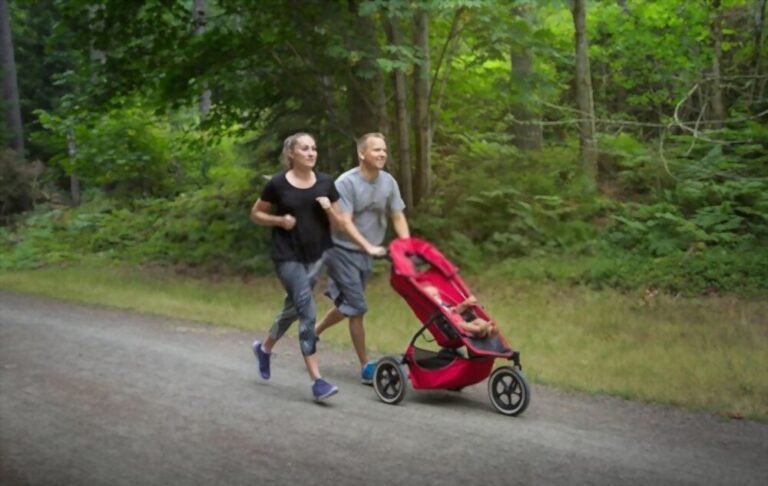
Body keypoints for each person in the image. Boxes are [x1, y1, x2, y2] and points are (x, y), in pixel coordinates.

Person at [250, 132, 380, 401]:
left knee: (292, 309)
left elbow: (338, 224)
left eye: (314, 149)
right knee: (307, 312)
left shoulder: (325, 183)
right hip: (287, 257)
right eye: (305, 149)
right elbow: (256, 214)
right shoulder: (277, 184)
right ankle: (317, 381)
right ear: (292, 154)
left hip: (315, 257)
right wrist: (279, 221)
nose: (311, 153)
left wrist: (328, 210)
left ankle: (264, 349)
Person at [314, 132, 409, 385]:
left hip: (366, 253)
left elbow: (397, 215)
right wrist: (368, 245)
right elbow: (344, 221)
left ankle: (313, 333)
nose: (382, 154)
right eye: (377, 150)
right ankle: (366, 366)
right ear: (362, 154)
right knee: (357, 308)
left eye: (384, 151)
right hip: (340, 250)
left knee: (347, 305)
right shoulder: (346, 183)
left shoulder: (389, 182)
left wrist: (407, 246)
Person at [420, 283, 499, 339]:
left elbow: (455, 311)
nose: (437, 297)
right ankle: (478, 329)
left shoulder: (444, 305)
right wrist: (463, 305)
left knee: (477, 320)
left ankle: (490, 330)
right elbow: (445, 317)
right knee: (461, 324)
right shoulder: (433, 309)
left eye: (437, 294)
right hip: (453, 327)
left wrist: (464, 305)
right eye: (433, 296)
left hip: (462, 322)